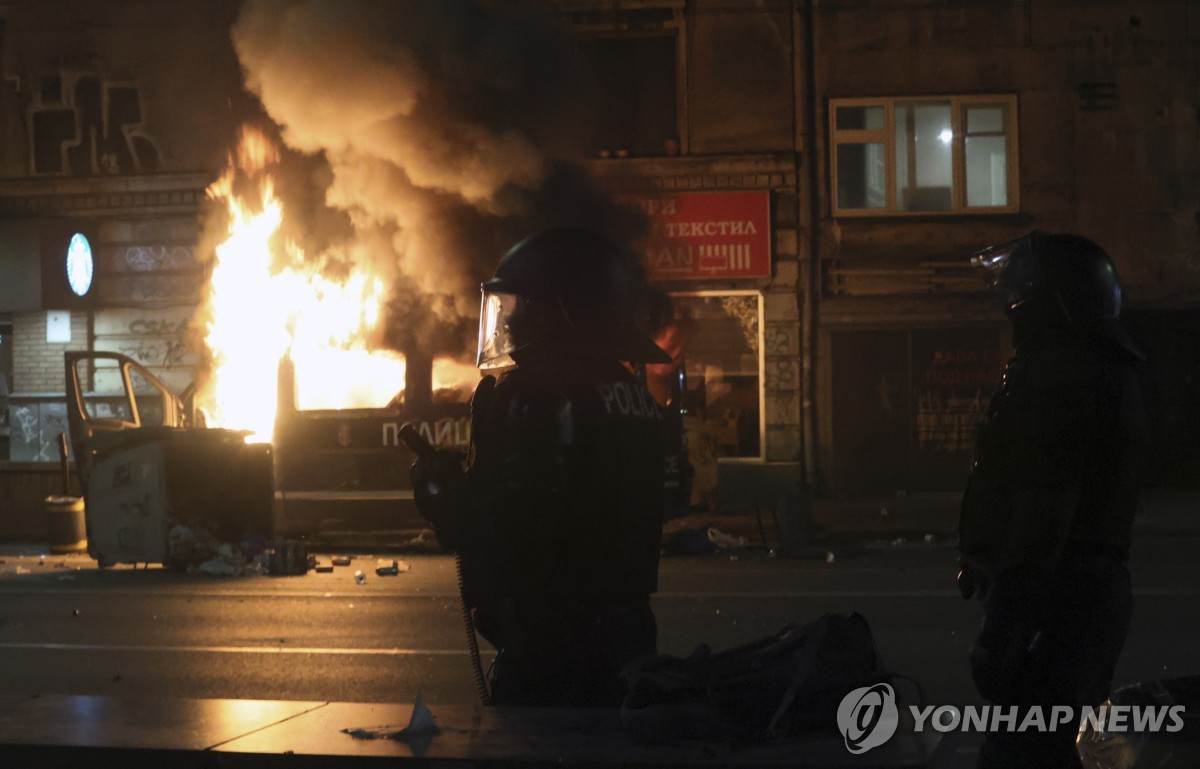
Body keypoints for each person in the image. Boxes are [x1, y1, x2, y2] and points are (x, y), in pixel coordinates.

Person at [410, 226, 670, 707]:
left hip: (552, 637)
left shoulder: (538, 391)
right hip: (627, 627)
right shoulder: (627, 387)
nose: (508, 322)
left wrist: (442, 493)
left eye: (518, 306)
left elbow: (513, 519)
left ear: (558, 308)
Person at [957, 231, 1149, 768]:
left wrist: (1008, 621)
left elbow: (1045, 510)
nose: (1011, 306)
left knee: (1024, 751)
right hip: (1078, 595)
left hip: (1057, 601)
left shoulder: (1063, 378)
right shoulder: (1098, 367)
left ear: (1053, 302)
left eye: (1021, 295)